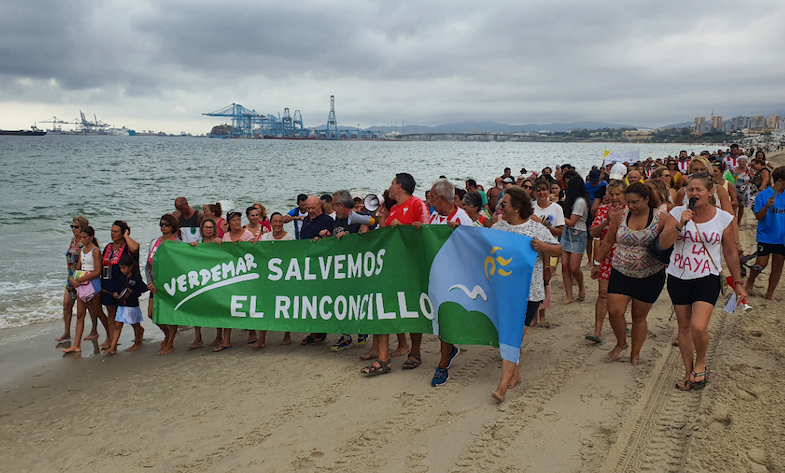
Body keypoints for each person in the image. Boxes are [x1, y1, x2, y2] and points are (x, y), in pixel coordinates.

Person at [658, 173, 747, 391]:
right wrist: (680, 224)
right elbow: (663, 243)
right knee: (685, 327)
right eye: (690, 189)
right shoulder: (678, 213)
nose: (694, 193)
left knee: (698, 327)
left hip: (707, 275)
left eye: (699, 190)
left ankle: (700, 362)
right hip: (678, 276)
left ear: (710, 192)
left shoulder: (723, 218)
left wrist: (737, 282)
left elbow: (730, 252)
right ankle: (688, 373)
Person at [491, 187, 562, 401]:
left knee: (514, 335)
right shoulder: (498, 227)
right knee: (507, 334)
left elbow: (558, 250)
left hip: (529, 291)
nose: (500, 207)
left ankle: (502, 385)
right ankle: (515, 372)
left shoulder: (536, 228)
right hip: (504, 290)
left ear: (517, 207)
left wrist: (543, 247)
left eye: (504, 203)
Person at [361, 173, 429, 376]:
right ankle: (383, 358)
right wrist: (382, 220)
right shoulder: (395, 209)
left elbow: (428, 231)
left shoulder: (418, 204)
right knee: (383, 305)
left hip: (412, 266)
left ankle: (415, 352)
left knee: (413, 309)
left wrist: (408, 227)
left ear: (399, 185)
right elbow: (387, 236)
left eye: (392, 183)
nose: (389, 187)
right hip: (393, 265)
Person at [595, 183, 665, 365]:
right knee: (615, 311)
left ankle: (635, 354)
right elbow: (609, 240)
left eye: (635, 202)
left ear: (647, 200)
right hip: (621, 270)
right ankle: (621, 343)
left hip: (650, 274)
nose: (630, 206)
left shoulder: (660, 218)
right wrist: (597, 262)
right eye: (628, 202)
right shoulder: (621, 216)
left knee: (638, 317)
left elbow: (669, 243)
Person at [425, 180, 476, 387]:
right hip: (437, 273)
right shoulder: (435, 216)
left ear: (442, 198)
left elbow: (473, 246)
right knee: (437, 317)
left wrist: (458, 234)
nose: (430, 200)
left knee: (445, 317)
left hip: (455, 277)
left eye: (433, 197)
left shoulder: (462, 218)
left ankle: (443, 363)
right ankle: (450, 349)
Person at [325, 190, 373, 351]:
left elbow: (375, 232)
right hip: (340, 269)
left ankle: (362, 329)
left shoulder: (359, 218)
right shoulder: (337, 219)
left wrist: (361, 232)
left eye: (333, 204)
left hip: (357, 269)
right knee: (339, 302)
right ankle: (345, 337)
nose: (332, 207)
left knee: (358, 301)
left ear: (341, 205)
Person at [588, 180, 627, 344]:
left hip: (626, 258)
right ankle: (598, 330)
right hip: (606, 256)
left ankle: (621, 322)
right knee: (603, 294)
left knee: (623, 295)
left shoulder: (630, 211)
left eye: (618, 194)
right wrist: (607, 220)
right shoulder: (603, 210)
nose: (615, 197)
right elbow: (593, 232)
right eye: (612, 194)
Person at [297, 195, 336, 346]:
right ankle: (313, 332)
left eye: (313, 208)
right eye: (308, 208)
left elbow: (333, 242)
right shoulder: (306, 219)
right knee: (309, 299)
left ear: (320, 206)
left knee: (321, 298)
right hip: (307, 264)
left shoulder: (327, 220)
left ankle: (321, 331)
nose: (310, 211)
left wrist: (325, 238)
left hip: (322, 265)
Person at [745, 166, 785, 301]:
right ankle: (751, 280)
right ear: (780, 181)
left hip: (782, 238)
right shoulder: (763, 195)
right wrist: (767, 206)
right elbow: (758, 217)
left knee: (778, 265)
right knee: (761, 263)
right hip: (766, 236)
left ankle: (770, 293)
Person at [62, 226, 104, 354]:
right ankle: (76, 344)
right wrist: (74, 279)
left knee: (97, 311)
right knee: (80, 314)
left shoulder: (95, 251)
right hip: (83, 285)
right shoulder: (82, 251)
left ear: (91, 237)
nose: (82, 240)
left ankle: (110, 335)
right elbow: (79, 268)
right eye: (81, 237)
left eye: (85, 237)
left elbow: (98, 271)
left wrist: (82, 279)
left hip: (94, 285)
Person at [101, 220, 140, 350]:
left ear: (123, 233)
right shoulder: (108, 247)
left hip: (124, 285)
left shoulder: (128, 247)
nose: (112, 233)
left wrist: (126, 236)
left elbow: (135, 248)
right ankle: (111, 339)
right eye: (111, 231)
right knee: (111, 312)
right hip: (108, 284)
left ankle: (139, 333)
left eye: (116, 231)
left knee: (129, 312)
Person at [532, 178, 565, 327]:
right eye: (538, 190)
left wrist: (543, 227)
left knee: (546, 281)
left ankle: (543, 314)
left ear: (549, 190)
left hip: (551, 248)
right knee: (534, 283)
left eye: (544, 189)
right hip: (533, 249)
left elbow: (560, 231)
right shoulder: (531, 208)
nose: (542, 192)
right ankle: (533, 315)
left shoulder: (556, 208)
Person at [146, 214, 180, 355]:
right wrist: (149, 282)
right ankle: (167, 335)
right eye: (161, 223)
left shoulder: (177, 243)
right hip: (155, 284)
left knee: (170, 314)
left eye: (166, 224)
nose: (163, 226)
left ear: (172, 227)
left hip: (170, 283)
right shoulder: (155, 241)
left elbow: (180, 265)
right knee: (151, 314)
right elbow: (148, 265)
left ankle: (171, 342)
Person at [188, 218, 224, 349]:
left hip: (216, 278)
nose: (208, 229)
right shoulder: (199, 243)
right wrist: (191, 247)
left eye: (210, 227)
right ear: (202, 229)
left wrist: (219, 244)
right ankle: (198, 337)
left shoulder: (218, 241)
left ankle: (219, 335)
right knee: (197, 307)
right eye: (206, 227)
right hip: (202, 279)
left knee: (217, 308)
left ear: (214, 229)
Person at [102, 254, 148, 355]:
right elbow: (118, 290)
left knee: (135, 325)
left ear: (130, 267)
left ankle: (137, 342)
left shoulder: (135, 278)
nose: (122, 270)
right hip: (121, 305)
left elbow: (143, 290)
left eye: (124, 268)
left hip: (132, 305)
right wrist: (116, 294)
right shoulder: (120, 278)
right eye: (120, 268)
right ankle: (113, 347)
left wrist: (132, 292)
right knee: (118, 325)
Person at [58, 215, 90, 343]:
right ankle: (66, 332)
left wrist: (79, 278)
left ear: (83, 227)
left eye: (76, 227)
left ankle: (94, 330)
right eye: (72, 226)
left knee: (90, 309)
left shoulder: (85, 242)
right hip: (70, 278)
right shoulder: (73, 240)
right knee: (66, 305)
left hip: (81, 279)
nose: (73, 229)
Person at [561, 175, 590, 304]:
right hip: (567, 232)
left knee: (574, 267)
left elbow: (572, 222)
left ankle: (581, 287)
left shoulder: (580, 202)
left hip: (578, 233)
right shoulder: (571, 200)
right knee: (565, 266)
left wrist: (557, 215)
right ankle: (569, 295)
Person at [733, 157, 752, 224]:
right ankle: (733, 221)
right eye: (740, 161)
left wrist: (749, 180)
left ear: (746, 162)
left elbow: (753, 179)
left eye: (744, 161)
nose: (742, 163)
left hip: (744, 190)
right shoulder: (733, 169)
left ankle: (738, 222)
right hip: (734, 189)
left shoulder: (749, 170)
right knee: (734, 205)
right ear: (738, 162)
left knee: (741, 206)